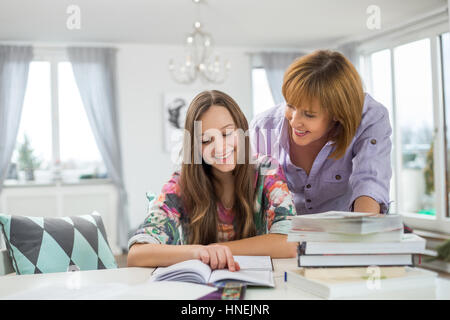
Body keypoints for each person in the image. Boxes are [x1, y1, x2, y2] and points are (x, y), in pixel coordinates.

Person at [127, 90, 298, 271]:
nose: (219, 147)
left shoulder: (267, 170)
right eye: (206, 140)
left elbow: (290, 242)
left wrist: (216, 251)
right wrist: (197, 253)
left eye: (227, 134)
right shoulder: (181, 183)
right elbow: (136, 255)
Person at [251, 50, 392, 215]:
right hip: (284, 232)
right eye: (290, 105)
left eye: (309, 114)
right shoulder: (264, 127)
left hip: (346, 229)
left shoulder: (370, 117)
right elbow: (253, 192)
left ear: (337, 114)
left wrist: (363, 233)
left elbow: (370, 183)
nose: (294, 121)